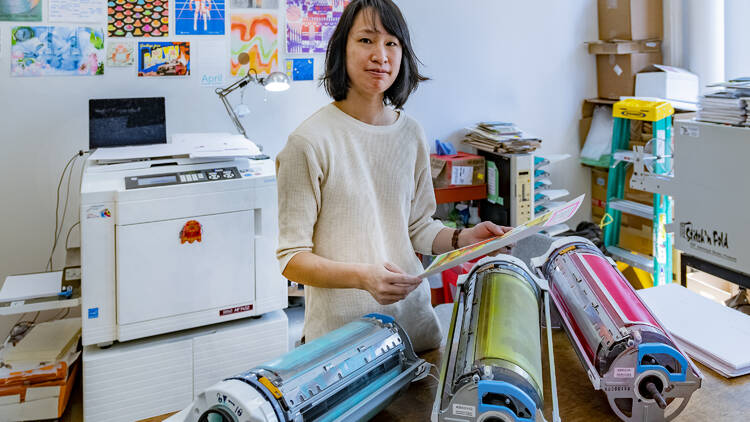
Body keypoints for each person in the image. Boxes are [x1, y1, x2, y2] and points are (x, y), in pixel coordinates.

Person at [275, 0, 510, 352]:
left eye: (391, 43)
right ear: (342, 49)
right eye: (366, 41)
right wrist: (362, 277)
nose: (380, 56)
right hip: (343, 345)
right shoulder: (308, 142)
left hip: (414, 329)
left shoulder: (410, 132)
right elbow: (293, 260)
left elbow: (417, 228)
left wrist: (466, 237)